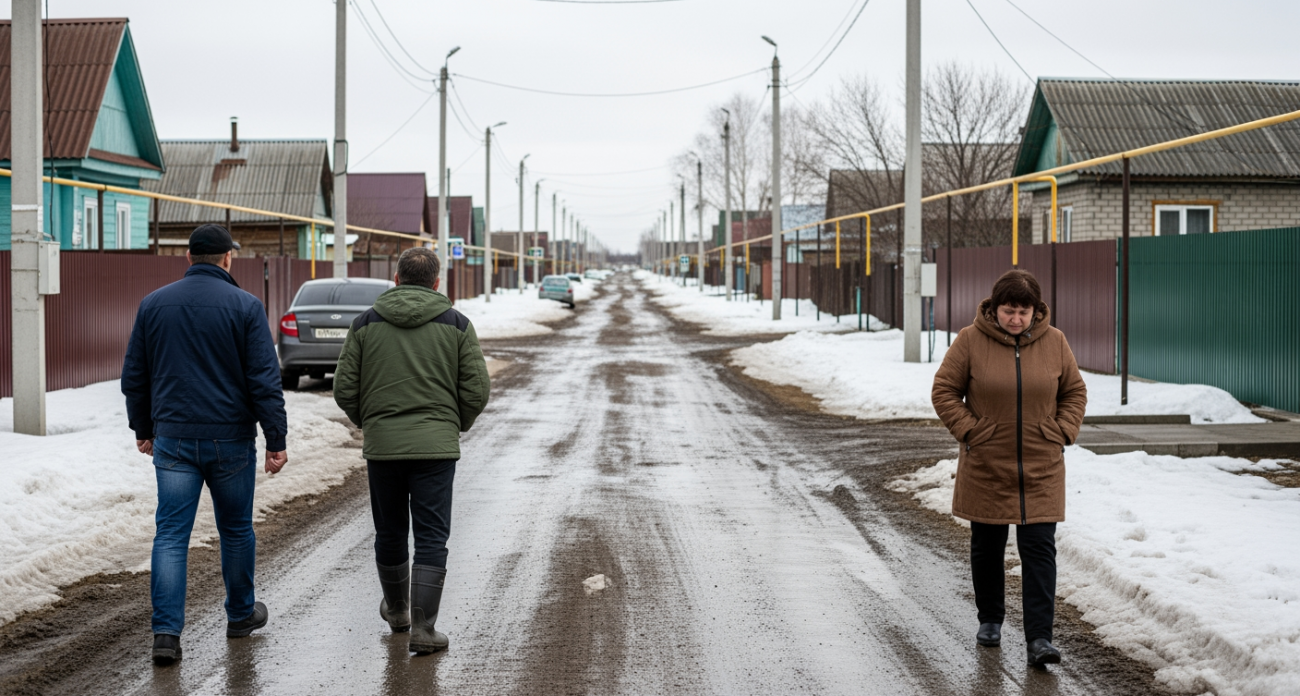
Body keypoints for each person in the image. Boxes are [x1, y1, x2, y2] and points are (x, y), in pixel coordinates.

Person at [122, 224, 288, 666]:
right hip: (231, 440)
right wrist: (276, 438)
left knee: (172, 534)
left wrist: (143, 427)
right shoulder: (247, 307)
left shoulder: (154, 304)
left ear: (189, 257)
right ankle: (239, 615)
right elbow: (264, 381)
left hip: (173, 439)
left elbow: (134, 375)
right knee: (235, 530)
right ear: (228, 258)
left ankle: (166, 635)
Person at [333, 247, 490, 655]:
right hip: (435, 449)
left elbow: (344, 389)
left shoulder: (366, 323)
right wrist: (452, 425)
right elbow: (476, 389)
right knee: (432, 534)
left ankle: (399, 611)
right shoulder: (457, 324)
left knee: (389, 531)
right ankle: (424, 628)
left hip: (383, 447)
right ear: (437, 283)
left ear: (397, 279)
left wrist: (372, 423)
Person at [931, 269, 1087, 667]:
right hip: (987, 463)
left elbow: (1074, 391)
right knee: (987, 547)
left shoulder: (1055, 342)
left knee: (1039, 550)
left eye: (1023, 311)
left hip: (1042, 465)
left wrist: (1061, 431)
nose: (1015, 319)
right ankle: (990, 621)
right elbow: (944, 390)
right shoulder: (970, 340)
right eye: (1008, 310)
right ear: (995, 308)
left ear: (1036, 311)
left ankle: (1039, 638)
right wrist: (971, 431)